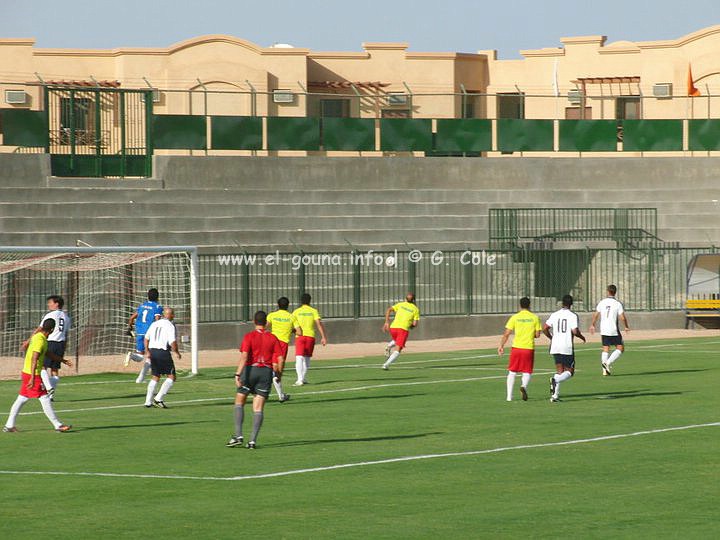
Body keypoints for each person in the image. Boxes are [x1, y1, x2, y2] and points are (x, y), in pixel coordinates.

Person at [227, 311, 283, 449]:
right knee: (258, 408)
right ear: (266, 322)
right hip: (265, 372)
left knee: (239, 402)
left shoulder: (249, 336)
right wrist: (279, 375)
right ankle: (252, 441)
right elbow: (280, 358)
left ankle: (238, 435)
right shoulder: (273, 337)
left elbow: (244, 356)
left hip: (250, 371)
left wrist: (237, 374)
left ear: (254, 321)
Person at [4, 318, 72, 433]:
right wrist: (32, 379)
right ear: (52, 329)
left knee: (22, 398)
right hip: (33, 374)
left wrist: (63, 360)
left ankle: (9, 425)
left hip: (27, 372)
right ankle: (58, 425)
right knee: (44, 398)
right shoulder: (40, 340)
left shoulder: (40, 337)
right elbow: (34, 359)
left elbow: (48, 353)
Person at [22, 295, 72, 401]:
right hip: (61, 344)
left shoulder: (50, 315)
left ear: (56, 304)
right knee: (54, 370)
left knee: (42, 367)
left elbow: (40, 329)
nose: (48, 304)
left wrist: (28, 341)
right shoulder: (66, 317)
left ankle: (48, 388)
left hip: (49, 342)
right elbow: (66, 333)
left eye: (50, 302)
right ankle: (51, 396)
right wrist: (65, 346)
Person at [498, 297, 542, 401]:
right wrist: (530, 334)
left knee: (512, 371)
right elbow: (538, 334)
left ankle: (509, 396)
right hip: (528, 348)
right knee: (527, 371)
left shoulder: (515, 317)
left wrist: (501, 345)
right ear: (529, 305)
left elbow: (506, 333)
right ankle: (524, 386)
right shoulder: (535, 317)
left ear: (520, 305)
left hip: (516, 348)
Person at [544, 295, 586, 403]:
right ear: (571, 304)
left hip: (555, 345)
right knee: (570, 372)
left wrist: (551, 337)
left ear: (562, 303)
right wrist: (582, 337)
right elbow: (575, 331)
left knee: (559, 370)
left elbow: (545, 328)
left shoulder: (555, 314)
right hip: (566, 346)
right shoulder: (572, 315)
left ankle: (554, 396)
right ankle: (555, 380)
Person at [266, 296, 302, 403]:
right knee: (277, 372)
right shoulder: (291, 317)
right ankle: (278, 393)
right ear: (288, 305)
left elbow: (265, 327)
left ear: (278, 305)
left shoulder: (272, 315)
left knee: (272, 367)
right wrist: (291, 330)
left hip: (271, 342)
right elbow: (299, 332)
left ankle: (280, 395)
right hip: (282, 344)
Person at [589, 284, 630, 376]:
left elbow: (596, 314)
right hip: (613, 329)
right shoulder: (617, 303)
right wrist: (626, 326)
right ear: (615, 292)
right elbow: (622, 317)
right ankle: (607, 363)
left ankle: (604, 369)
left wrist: (592, 325)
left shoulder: (602, 302)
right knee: (620, 348)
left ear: (607, 292)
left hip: (603, 329)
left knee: (605, 348)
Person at [143, 307, 179, 408]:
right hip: (163, 352)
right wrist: (176, 352)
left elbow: (146, 338)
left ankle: (147, 402)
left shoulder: (155, 323)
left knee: (155, 376)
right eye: (173, 314)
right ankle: (158, 398)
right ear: (171, 315)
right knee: (171, 377)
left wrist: (147, 351)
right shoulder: (170, 325)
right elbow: (173, 341)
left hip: (153, 352)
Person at [126, 288, 163, 384]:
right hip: (149, 333)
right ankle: (140, 378)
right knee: (151, 356)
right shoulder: (157, 306)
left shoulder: (142, 305)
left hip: (140, 332)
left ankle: (132, 356)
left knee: (140, 356)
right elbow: (157, 320)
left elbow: (131, 318)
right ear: (157, 296)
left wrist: (129, 328)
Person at [291, 293, 327, 386]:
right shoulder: (313, 311)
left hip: (300, 336)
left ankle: (299, 379)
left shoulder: (296, 311)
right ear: (310, 301)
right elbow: (318, 324)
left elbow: (292, 324)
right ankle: (303, 378)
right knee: (307, 358)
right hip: (310, 336)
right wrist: (323, 337)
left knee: (299, 357)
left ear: (301, 301)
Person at [382, 292, 420, 370]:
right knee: (398, 349)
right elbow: (415, 323)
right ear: (414, 300)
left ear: (405, 299)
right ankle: (386, 365)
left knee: (397, 341)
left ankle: (389, 346)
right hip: (403, 329)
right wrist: (411, 326)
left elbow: (389, 310)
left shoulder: (400, 304)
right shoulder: (415, 309)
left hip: (393, 327)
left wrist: (386, 322)